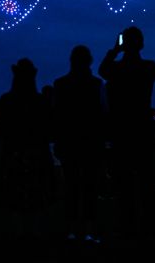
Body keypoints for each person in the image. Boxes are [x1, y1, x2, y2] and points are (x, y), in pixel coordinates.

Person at [98, 26, 155, 238]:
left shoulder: (116, 70)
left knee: (124, 181)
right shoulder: (150, 67)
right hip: (141, 129)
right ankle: (148, 225)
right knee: (145, 180)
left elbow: (102, 70)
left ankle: (126, 224)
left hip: (122, 131)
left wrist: (116, 50)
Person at [0, 58, 54, 243]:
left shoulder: (7, 100)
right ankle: (32, 233)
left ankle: (19, 233)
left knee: (15, 191)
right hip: (36, 153)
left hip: (14, 152)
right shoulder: (40, 101)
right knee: (35, 192)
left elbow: (0, 126)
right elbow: (48, 127)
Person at [53, 45, 106, 244]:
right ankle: (90, 230)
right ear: (89, 61)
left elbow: (56, 115)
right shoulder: (96, 84)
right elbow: (103, 113)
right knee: (90, 187)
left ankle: (72, 229)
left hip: (69, 142)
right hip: (91, 143)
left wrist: (58, 140)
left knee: (72, 187)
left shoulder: (60, 84)